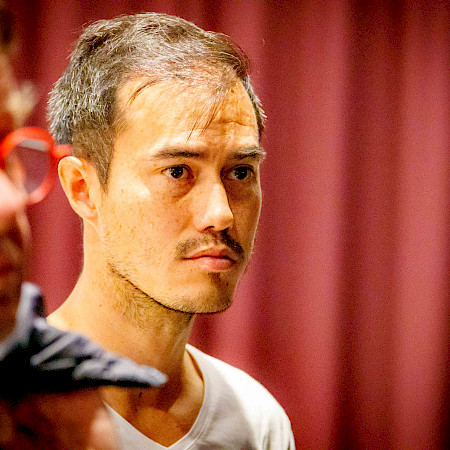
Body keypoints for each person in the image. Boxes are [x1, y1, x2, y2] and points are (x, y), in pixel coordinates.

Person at [48, 12, 295, 449]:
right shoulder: (17, 414)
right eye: (178, 171)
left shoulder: (257, 424)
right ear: (83, 189)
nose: (220, 213)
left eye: (240, 172)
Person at [0, 4, 166, 448]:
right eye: (175, 171)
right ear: (83, 188)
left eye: (5, 148)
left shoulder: (74, 418)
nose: (11, 202)